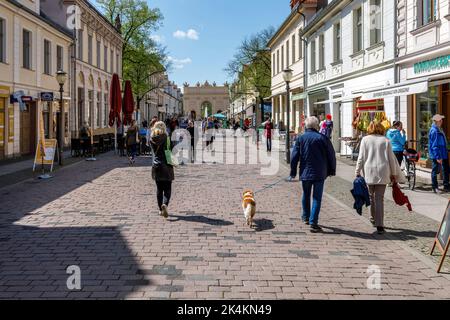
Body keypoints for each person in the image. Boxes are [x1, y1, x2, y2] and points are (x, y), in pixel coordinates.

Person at [290, 116, 337, 233]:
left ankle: (306, 217)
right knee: (317, 197)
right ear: (317, 126)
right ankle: (313, 222)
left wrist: (293, 171)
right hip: (320, 172)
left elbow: (294, 156)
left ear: (306, 125)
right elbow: (332, 156)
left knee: (306, 194)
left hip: (305, 171)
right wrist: (332, 170)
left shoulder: (301, 138)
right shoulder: (323, 138)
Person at [356, 121, 403, 235]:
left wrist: (357, 170)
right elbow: (392, 159)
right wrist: (394, 173)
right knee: (379, 199)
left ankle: (372, 219)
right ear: (381, 129)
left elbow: (361, 157)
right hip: (383, 171)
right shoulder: (385, 140)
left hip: (369, 171)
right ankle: (380, 225)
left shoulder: (365, 140)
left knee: (371, 197)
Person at [149, 121, 175, 218]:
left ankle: (160, 209)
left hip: (156, 165)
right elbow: (170, 150)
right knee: (167, 189)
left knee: (159, 189)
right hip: (167, 165)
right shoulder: (167, 138)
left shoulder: (152, 139)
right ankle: (165, 204)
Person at [429, 114, 450, 194]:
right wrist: (438, 157)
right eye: (441, 120)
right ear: (437, 121)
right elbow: (434, 145)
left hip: (443, 152)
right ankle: (434, 187)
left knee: (445, 169)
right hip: (437, 154)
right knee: (435, 170)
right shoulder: (434, 131)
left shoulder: (439, 129)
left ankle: (446, 185)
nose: (442, 121)